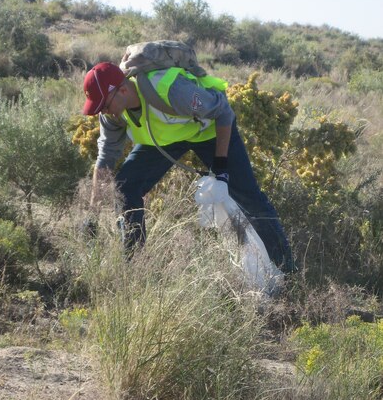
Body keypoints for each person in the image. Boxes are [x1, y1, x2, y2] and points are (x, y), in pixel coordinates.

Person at [83, 61, 295, 273]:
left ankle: (288, 271)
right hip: (166, 140)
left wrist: (221, 168)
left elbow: (223, 113)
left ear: (123, 89)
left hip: (209, 132)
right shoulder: (112, 116)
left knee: (249, 199)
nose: (104, 111)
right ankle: (134, 268)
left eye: (106, 105)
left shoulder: (171, 91)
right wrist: (92, 213)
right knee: (124, 187)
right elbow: (106, 158)